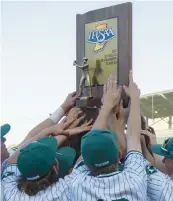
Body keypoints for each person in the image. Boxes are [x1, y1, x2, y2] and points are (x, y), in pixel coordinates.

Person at [67, 72, 147, 201]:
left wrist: (107, 107)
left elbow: (133, 138)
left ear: (85, 163)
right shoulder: (135, 180)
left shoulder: (77, 185)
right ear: (119, 155)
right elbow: (133, 137)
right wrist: (134, 99)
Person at [1, 116, 92, 201]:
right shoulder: (66, 190)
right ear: (55, 168)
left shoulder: (10, 194)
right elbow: (11, 161)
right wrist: (63, 133)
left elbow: (10, 161)